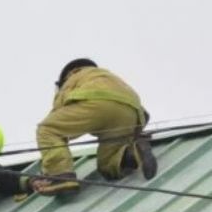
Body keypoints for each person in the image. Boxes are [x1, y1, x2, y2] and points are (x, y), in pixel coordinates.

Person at [32, 58, 157, 196]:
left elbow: (57, 115)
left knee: (47, 130)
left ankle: (61, 178)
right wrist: (135, 131)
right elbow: (144, 116)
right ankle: (132, 152)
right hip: (130, 112)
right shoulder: (109, 76)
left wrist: (48, 170)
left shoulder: (73, 77)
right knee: (108, 165)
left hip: (96, 103)